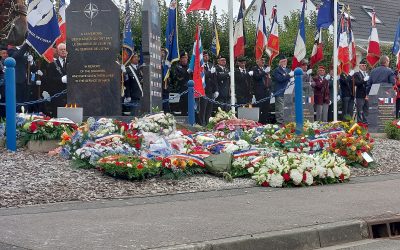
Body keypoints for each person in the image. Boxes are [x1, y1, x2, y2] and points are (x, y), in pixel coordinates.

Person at [43, 43, 68, 118]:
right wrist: (60, 79)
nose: (63, 51)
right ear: (57, 51)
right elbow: (49, 80)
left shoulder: (73, 63)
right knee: (57, 117)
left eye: (64, 49)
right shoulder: (52, 65)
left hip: (70, 95)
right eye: (61, 49)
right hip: (58, 95)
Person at [272, 55, 293, 125]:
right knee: (280, 109)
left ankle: (286, 121)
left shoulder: (288, 70)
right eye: (283, 61)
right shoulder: (277, 70)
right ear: (280, 62)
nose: (285, 62)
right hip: (280, 91)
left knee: (286, 108)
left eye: (286, 61)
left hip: (288, 92)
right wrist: (289, 75)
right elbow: (280, 79)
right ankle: (280, 122)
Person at [199, 50, 218, 126]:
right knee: (203, 109)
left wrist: (216, 90)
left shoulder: (210, 65)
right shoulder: (200, 65)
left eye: (207, 56)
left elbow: (215, 78)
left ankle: (207, 124)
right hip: (203, 90)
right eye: (204, 56)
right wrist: (210, 72)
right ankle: (202, 124)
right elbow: (202, 75)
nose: (206, 57)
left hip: (210, 90)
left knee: (209, 109)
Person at [250, 57, 270, 123]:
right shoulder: (254, 68)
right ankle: (259, 122)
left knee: (266, 107)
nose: (263, 61)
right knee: (260, 106)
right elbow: (257, 77)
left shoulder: (265, 69)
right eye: (261, 60)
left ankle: (264, 122)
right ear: (257, 61)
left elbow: (269, 79)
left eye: (264, 60)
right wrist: (264, 72)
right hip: (259, 91)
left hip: (267, 90)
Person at [354, 59, 370, 124]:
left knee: (366, 109)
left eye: (365, 65)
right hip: (360, 95)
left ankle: (365, 122)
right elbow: (357, 83)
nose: (364, 66)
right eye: (363, 65)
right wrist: (364, 79)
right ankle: (360, 123)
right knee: (359, 110)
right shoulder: (357, 74)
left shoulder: (367, 74)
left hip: (366, 95)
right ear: (359, 66)